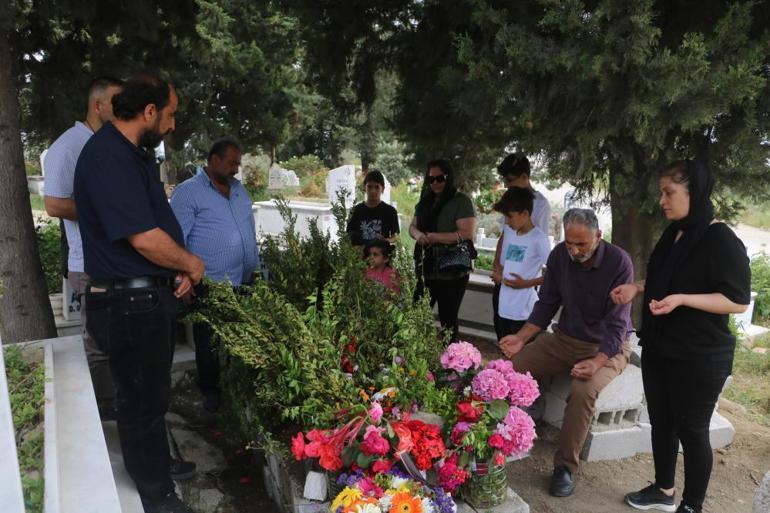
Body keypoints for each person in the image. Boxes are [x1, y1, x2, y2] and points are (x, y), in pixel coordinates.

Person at [74, 73, 204, 513]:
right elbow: (143, 238)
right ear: (149, 112)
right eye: (169, 115)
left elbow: (155, 228)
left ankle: (157, 471)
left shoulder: (132, 155)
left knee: (152, 396)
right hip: (126, 304)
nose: (171, 125)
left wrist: (174, 271)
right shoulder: (109, 156)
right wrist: (190, 264)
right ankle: (156, 495)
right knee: (140, 401)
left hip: (144, 297)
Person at [613, 160, 750, 513]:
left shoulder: (720, 237)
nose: (662, 200)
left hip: (700, 355)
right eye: (662, 192)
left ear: (695, 192)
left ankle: (691, 505)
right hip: (661, 345)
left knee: (692, 430)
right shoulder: (675, 232)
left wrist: (683, 300)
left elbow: (736, 300)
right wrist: (637, 288)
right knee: (662, 423)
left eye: (669, 192)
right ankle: (663, 489)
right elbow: (667, 280)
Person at [499, 208, 633, 497]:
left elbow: (618, 324)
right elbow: (547, 302)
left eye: (581, 244)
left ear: (598, 236)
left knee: (583, 391)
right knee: (511, 366)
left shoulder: (619, 262)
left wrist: (598, 362)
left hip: (607, 346)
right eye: (569, 243)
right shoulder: (560, 255)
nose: (573, 250)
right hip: (565, 338)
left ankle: (565, 467)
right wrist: (522, 338)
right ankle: (500, 434)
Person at [44, 76, 123, 419]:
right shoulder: (69, 145)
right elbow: (55, 205)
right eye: (116, 103)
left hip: (114, 259)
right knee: (99, 342)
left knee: (117, 338)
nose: (122, 110)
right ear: (98, 105)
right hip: (88, 262)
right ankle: (104, 412)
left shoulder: (108, 142)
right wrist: (105, 211)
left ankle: (117, 405)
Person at [170, 137, 259, 413]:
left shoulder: (238, 190)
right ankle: (211, 398)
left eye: (238, 163)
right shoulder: (189, 192)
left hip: (242, 281)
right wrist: (180, 278)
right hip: (208, 283)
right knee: (208, 344)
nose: (235, 169)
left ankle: (234, 392)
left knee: (238, 341)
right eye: (232, 163)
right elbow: (175, 240)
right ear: (214, 160)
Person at [409, 159, 477, 341]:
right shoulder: (425, 201)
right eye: (431, 179)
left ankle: (452, 363)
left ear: (449, 177)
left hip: (452, 269)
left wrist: (435, 237)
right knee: (417, 313)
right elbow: (412, 227)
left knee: (448, 319)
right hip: (426, 266)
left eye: (440, 178)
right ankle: (412, 358)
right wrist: (418, 236)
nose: (436, 183)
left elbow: (467, 233)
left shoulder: (460, 201)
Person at [491, 153, 552, 339]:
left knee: (520, 341)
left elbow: (542, 255)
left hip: (525, 288)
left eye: (510, 180)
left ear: (525, 177)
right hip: (504, 285)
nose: (506, 185)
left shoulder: (540, 205)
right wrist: (497, 263)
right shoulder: (510, 209)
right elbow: (505, 234)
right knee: (502, 334)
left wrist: (526, 282)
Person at [346, 170, 400, 245]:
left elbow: (396, 236)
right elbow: (348, 234)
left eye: (377, 187)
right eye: (369, 186)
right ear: (364, 188)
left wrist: (385, 240)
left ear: (383, 189)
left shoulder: (390, 211)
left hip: (381, 255)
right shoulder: (355, 210)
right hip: (359, 254)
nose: (373, 191)